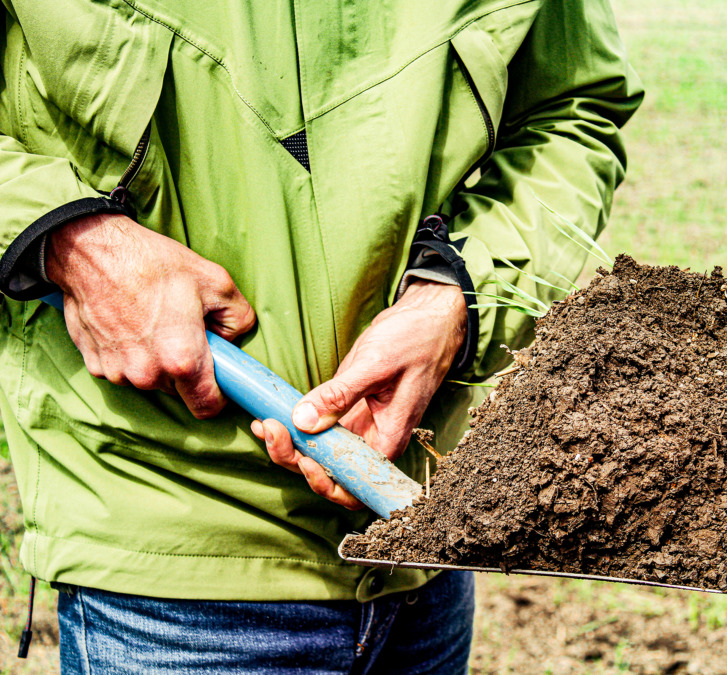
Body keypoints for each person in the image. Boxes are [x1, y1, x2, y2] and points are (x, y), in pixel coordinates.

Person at [0, 0, 642, 671]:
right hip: (170, 557)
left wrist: (460, 290)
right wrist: (68, 240)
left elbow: (574, 109)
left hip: (420, 552)